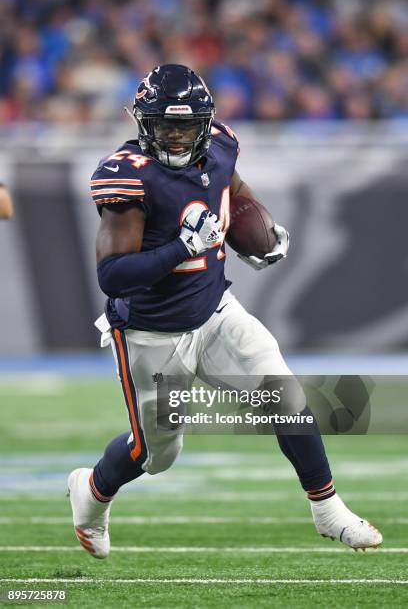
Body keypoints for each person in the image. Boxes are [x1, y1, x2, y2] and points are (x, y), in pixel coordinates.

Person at [67, 64, 382, 558]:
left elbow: (231, 190)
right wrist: (181, 249)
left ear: (206, 122)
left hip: (215, 312)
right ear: (143, 123)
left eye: (186, 126)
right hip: (150, 334)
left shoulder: (220, 143)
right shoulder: (127, 174)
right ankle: (93, 490)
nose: (175, 136)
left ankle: (328, 509)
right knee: (156, 454)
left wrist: (260, 234)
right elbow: (113, 276)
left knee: (285, 395)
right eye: (165, 125)